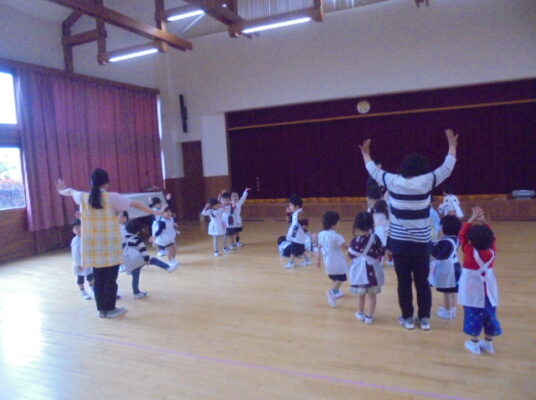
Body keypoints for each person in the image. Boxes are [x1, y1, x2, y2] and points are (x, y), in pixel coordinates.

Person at [359, 129, 459, 330]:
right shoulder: (427, 181)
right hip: (422, 244)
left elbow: (373, 170)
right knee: (422, 282)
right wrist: (452, 145)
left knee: (403, 282)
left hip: (399, 244)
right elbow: (447, 167)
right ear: (423, 168)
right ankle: (424, 319)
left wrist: (365, 153)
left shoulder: (393, 181)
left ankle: (406, 318)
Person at [56, 168, 163, 319]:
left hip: (93, 247)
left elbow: (70, 191)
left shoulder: (83, 197)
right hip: (110, 246)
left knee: (99, 280)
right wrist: (156, 213)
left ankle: (102, 311)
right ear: (106, 183)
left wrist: (61, 191)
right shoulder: (112, 197)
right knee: (110, 280)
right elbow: (136, 204)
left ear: (92, 182)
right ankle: (111, 309)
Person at [458, 207, 501, 355]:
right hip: (489, 291)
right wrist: (484, 222)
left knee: (473, 315)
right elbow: (493, 237)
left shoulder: (469, 251)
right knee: (490, 315)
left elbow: (461, 236)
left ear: (472, 240)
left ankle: (474, 344)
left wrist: (471, 219)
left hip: (472, 291)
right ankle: (489, 343)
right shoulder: (492, 251)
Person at [123, 219, 178, 299]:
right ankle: (168, 267)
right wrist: (146, 259)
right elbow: (143, 250)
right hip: (138, 259)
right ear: (138, 230)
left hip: (128, 260)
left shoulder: (124, 238)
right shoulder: (137, 239)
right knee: (154, 260)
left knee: (135, 277)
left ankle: (136, 292)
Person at [348, 212, 386, 324]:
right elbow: (381, 251)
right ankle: (369, 316)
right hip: (372, 272)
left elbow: (351, 255)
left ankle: (360, 312)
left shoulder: (355, 241)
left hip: (360, 272)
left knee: (361, 295)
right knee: (372, 296)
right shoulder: (375, 238)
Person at [430, 215, 462, 320]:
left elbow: (434, 254)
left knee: (447, 292)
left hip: (447, 269)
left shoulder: (445, 242)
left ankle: (447, 311)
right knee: (453, 290)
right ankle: (452, 310)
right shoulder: (456, 239)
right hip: (456, 266)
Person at [317, 211, 348, 307]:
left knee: (334, 277)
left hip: (327, 261)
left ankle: (336, 291)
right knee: (342, 277)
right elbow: (346, 246)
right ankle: (332, 292)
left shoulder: (321, 234)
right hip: (337, 261)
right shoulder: (336, 236)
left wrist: (318, 260)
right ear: (334, 224)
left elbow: (319, 247)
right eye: (338, 222)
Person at [284, 194, 311, 269]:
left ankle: (291, 262)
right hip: (297, 236)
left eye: (291, 205)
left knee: (293, 249)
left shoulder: (299, 214)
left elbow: (305, 221)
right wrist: (288, 213)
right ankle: (307, 260)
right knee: (301, 249)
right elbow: (288, 221)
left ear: (297, 206)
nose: (290, 206)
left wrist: (304, 229)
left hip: (298, 236)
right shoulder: (295, 214)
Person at [71, 218, 94, 300]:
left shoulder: (87, 237)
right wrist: (79, 264)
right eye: (76, 228)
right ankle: (83, 291)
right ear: (73, 231)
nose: (79, 229)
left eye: (80, 227)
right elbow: (75, 254)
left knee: (90, 277)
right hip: (80, 264)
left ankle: (93, 290)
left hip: (88, 262)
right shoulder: (75, 241)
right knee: (80, 278)